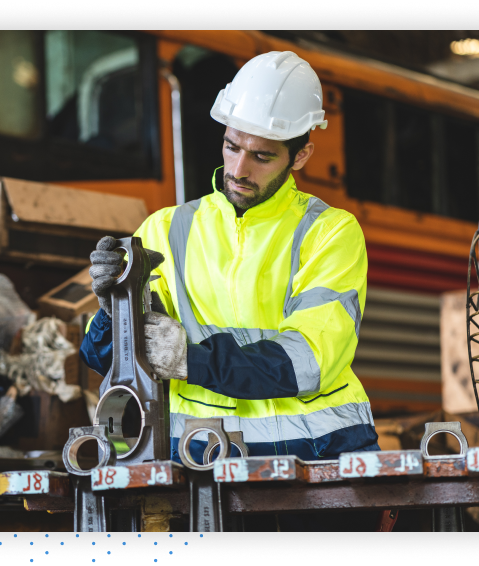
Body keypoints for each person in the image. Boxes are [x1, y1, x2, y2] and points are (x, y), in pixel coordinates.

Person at [80, 50, 380, 467]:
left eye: (262, 156)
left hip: (320, 458)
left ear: (301, 156)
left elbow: (305, 361)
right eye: (231, 146)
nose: (239, 169)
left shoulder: (329, 232)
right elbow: (107, 361)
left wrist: (190, 359)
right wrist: (114, 309)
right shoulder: (164, 230)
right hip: (202, 458)